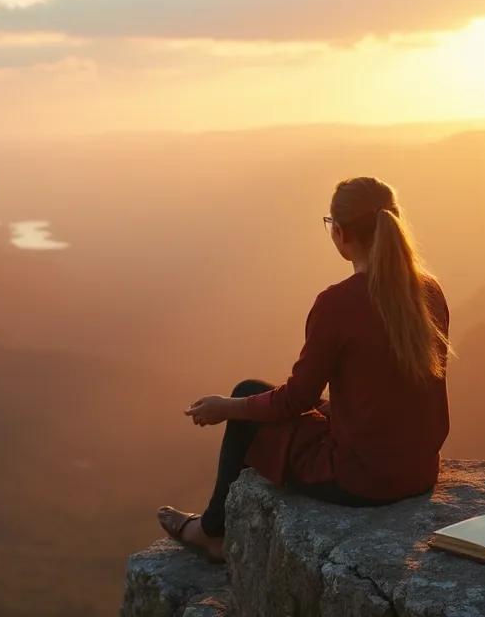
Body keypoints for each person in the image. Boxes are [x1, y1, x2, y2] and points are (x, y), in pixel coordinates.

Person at [157, 176, 453, 562]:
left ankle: (212, 531)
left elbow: (296, 399)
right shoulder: (428, 291)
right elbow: (396, 389)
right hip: (418, 472)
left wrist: (225, 408)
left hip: (362, 480)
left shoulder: (337, 304)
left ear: (341, 233)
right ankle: (214, 526)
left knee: (247, 393)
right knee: (269, 398)